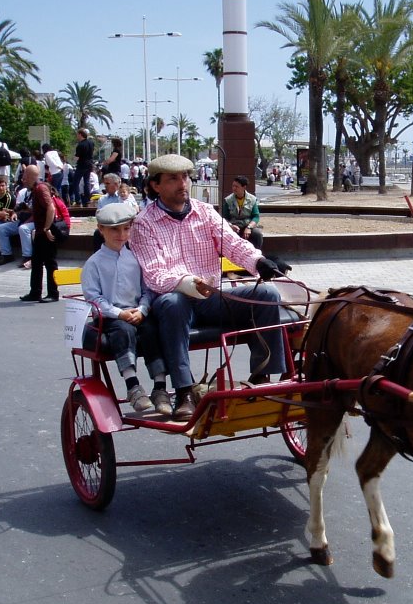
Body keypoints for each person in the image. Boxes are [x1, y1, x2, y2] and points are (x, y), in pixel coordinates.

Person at [129, 154, 286, 422]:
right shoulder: (144, 223)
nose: (183, 183)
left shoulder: (205, 212)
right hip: (175, 301)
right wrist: (188, 282)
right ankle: (184, 391)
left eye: (185, 177)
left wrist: (259, 262)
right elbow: (155, 274)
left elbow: (234, 245)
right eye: (173, 179)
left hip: (211, 299)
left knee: (268, 294)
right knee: (172, 303)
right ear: (155, 186)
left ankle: (262, 376)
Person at [82, 201, 172, 415]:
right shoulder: (93, 264)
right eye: (114, 229)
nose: (121, 235)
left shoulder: (135, 258)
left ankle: (160, 388)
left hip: (137, 313)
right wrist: (119, 313)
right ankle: (132, 385)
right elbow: (94, 298)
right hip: (109, 317)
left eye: (126, 228)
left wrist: (142, 309)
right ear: (101, 229)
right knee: (123, 330)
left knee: (153, 330)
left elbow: (147, 290)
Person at [18, 165, 62, 303]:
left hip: (45, 232)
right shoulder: (35, 189)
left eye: (25, 175)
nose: (23, 178)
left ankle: (53, 293)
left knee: (50, 263)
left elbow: (51, 208)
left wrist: (47, 228)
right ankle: (35, 292)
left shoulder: (40, 188)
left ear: (31, 176)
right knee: (36, 262)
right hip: (40, 232)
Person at [221, 175, 263, 249]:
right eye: (233, 186)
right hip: (234, 226)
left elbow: (256, 216)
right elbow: (224, 218)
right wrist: (230, 226)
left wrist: (249, 227)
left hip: (247, 225)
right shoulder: (228, 200)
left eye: (237, 186)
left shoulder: (252, 199)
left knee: (257, 234)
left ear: (244, 187)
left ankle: (257, 255)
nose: (234, 188)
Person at [72, 128, 94, 207]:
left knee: (75, 182)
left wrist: (73, 159)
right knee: (86, 182)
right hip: (89, 164)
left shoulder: (80, 145)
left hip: (81, 165)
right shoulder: (91, 143)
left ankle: (78, 200)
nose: (77, 136)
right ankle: (87, 199)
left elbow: (77, 157)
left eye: (77, 135)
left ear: (81, 135)